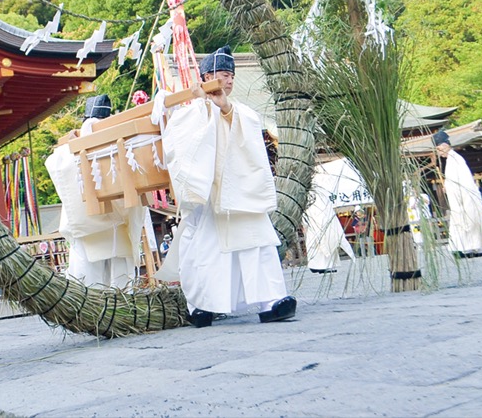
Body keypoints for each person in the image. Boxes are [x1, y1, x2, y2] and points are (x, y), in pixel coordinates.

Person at [161, 46, 296, 327]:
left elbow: (249, 143)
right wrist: (207, 109)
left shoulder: (243, 112)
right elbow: (177, 149)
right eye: (224, 74)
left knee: (257, 244)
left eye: (232, 75)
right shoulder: (187, 114)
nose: (230, 80)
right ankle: (202, 306)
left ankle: (271, 301)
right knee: (205, 251)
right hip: (210, 197)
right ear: (207, 76)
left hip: (242, 191)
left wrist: (223, 108)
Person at [45, 95, 145, 288]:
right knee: (115, 276)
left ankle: (102, 309)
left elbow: (56, 167)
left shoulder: (67, 153)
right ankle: (116, 307)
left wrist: (70, 150)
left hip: (96, 224)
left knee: (90, 277)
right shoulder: (120, 144)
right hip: (111, 222)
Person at [433, 130, 482, 258]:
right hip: (459, 197)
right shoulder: (452, 160)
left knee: (468, 222)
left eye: (439, 149)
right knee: (463, 223)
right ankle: (469, 247)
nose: (439, 152)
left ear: (445, 146)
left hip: (464, 198)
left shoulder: (456, 159)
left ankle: (470, 248)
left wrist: (450, 188)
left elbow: (463, 181)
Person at [303, 187, 354, 274]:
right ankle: (316, 266)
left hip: (323, 219)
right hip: (314, 220)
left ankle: (325, 265)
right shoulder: (309, 199)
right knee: (315, 243)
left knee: (327, 240)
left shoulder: (323, 197)